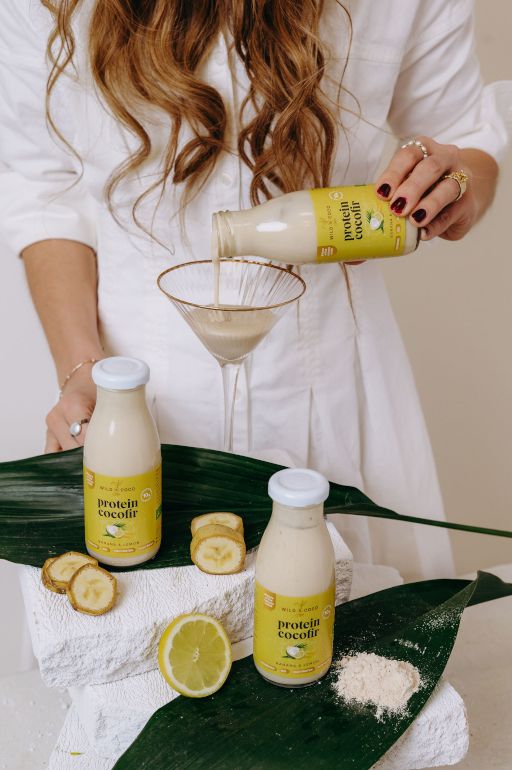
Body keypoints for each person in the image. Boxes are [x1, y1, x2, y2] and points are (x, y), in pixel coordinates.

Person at [0, 0, 510, 580]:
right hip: (137, 384)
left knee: (340, 615)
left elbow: (468, 139)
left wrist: (452, 183)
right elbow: (45, 189)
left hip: (332, 384)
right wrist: (81, 369)